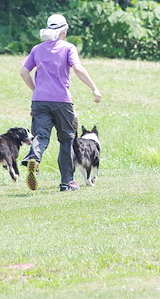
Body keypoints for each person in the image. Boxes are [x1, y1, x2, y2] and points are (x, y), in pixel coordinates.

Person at [20, 14, 102, 191]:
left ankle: (34, 157)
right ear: (63, 31)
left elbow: (24, 73)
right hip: (62, 102)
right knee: (66, 140)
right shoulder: (68, 48)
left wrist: (36, 91)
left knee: (40, 136)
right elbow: (78, 68)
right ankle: (67, 182)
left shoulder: (37, 49)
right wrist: (94, 88)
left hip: (39, 101)